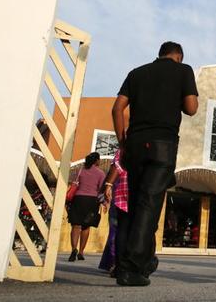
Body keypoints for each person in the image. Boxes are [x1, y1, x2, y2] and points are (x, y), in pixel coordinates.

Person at [111, 41, 199, 287]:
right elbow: (191, 108)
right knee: (149, 205)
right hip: (163, 145)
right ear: (178, 56)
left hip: (135, 145)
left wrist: (123, 142)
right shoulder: (184, 70)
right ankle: (129, 269)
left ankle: (143, 261)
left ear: (159, 54)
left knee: (136, 206)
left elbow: (117, 108)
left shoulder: (136, 73)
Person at [67, 152, 105, 262]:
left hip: (78, 200)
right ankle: (81, 252)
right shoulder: (100, 173)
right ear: (96, 160)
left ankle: (73, 249)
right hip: (92, 201)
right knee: (86, 226)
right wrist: (104, 202)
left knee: (76, 226)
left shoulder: (80, 171)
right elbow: (101, 189)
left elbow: (75, 183)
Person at [100, 149, 129, 276]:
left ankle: (115, 263)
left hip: (121, 195)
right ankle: (123, 264)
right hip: (134, 196)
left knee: (116, 230)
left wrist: (108, 185)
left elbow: (116, 165)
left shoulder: (125, 148)